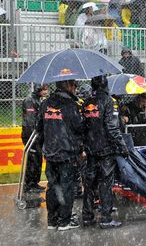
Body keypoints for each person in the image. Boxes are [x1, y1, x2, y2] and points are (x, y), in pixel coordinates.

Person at [81, 75, 129, 229]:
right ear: (105, 86)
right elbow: (111, 127)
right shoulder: (108, 101)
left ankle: (87, 216)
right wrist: (122, 147)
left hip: (91, 149)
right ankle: (106, 218)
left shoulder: (87, 102)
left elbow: (83, 127)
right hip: (105, 149)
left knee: (89, 183)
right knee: (105, 184)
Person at [37, 79, 83, 231]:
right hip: (66, 152)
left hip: (50, 153)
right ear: (68, 86)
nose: (75, 88)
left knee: (52, 186)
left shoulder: (45, 103)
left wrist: (46, 146)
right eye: (74, 85)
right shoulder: (70, 105)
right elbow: (78, 128)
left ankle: (52, 220)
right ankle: (64, 221)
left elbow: (39, 128)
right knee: (66, 187)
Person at [21, 84, 48, 193]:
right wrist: (34, 136)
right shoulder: (30, 101)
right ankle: (29, 184)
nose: (46, 91)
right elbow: (30, 121)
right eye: (44, 89)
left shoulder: (38, 100)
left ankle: (34, 183)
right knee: (32, 160)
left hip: (37, 135)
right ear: (38, 89)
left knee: (37, 159)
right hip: (30, 135)